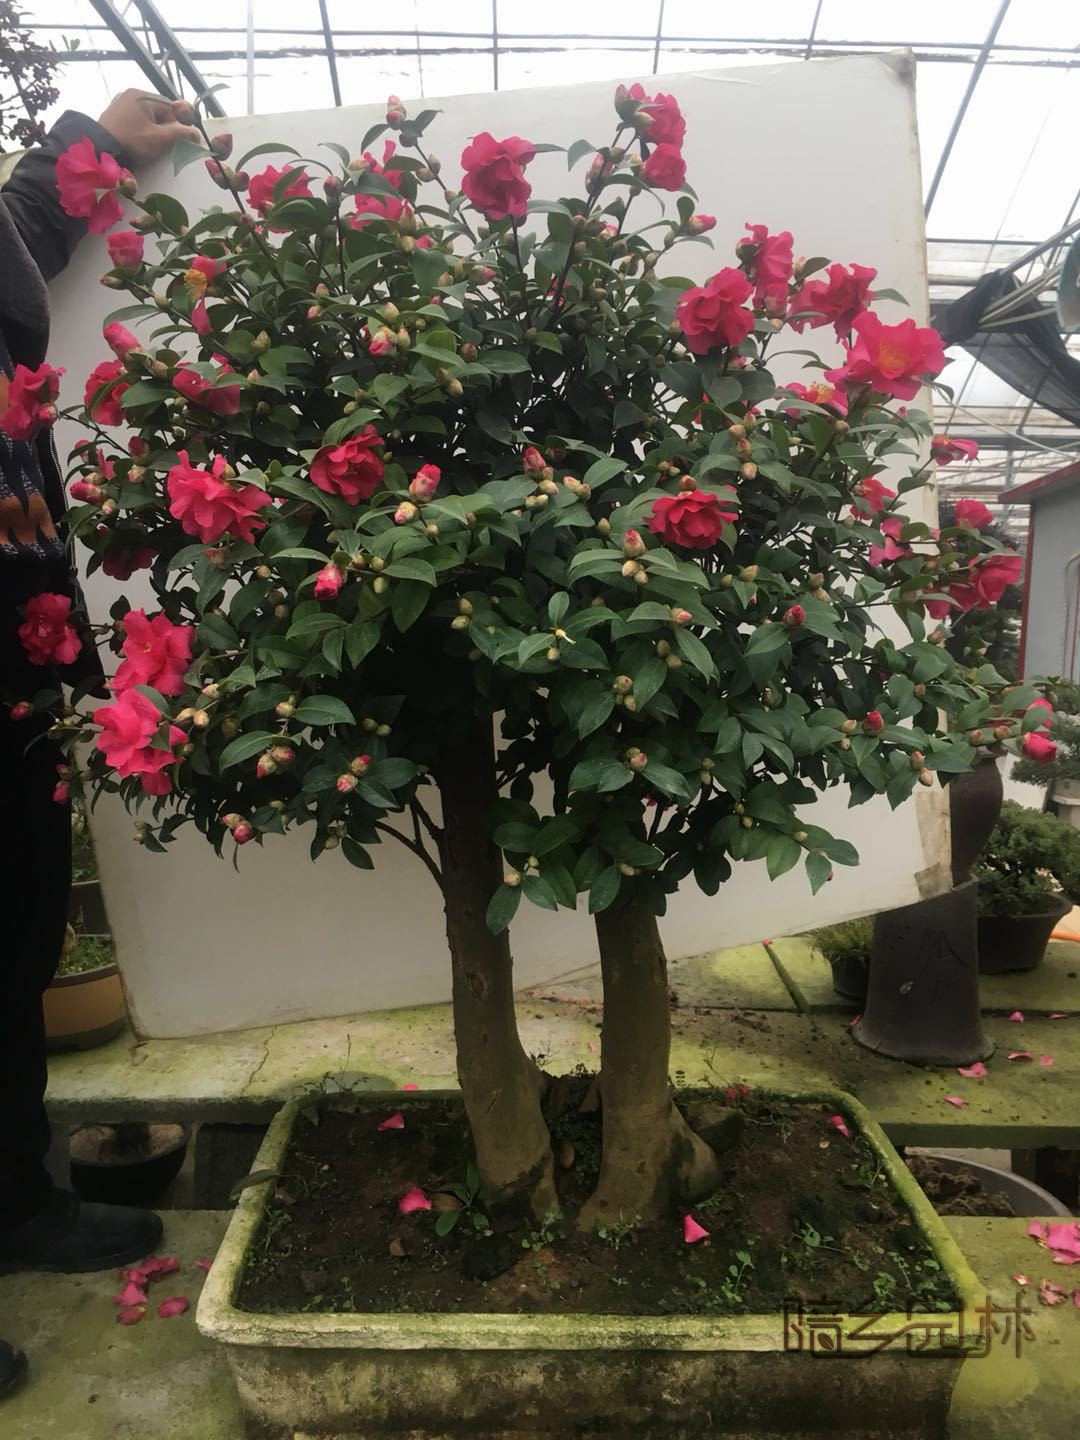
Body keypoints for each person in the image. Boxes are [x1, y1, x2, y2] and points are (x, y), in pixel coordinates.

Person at [0, 90, 198, 1399]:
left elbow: (11, 238)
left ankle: (14, 1201)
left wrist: (98, 153)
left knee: (15, 934)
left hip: (9, 667)